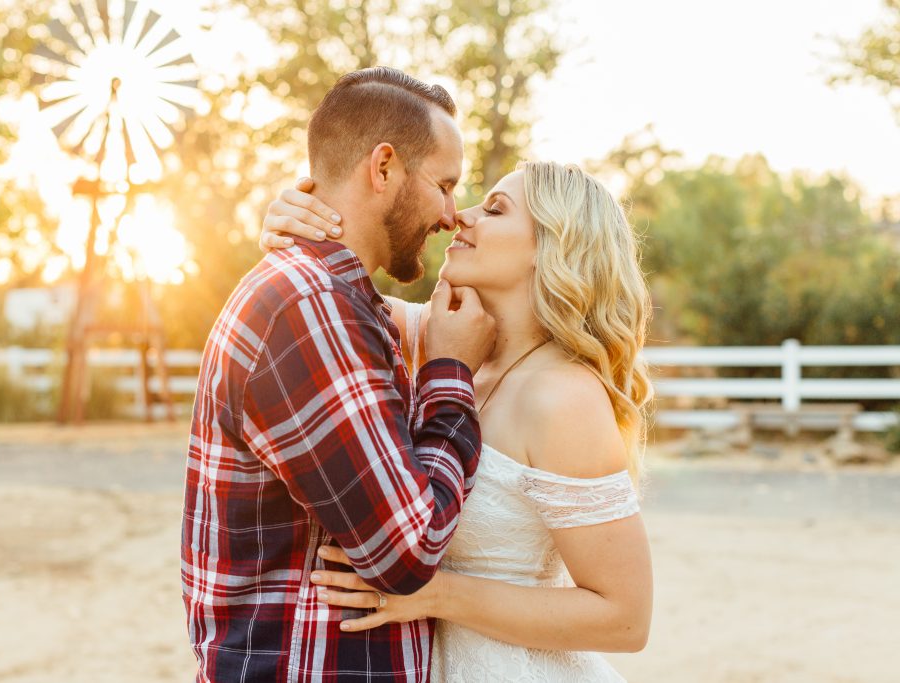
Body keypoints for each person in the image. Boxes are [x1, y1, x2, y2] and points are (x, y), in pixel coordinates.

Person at [260, 161, 654, 681]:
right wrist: (288, 225)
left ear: (551, 246)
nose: (459, 217)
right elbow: (314, 295)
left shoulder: (563, 397)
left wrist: (436, 593)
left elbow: (626, 619)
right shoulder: (435, 336)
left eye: (493, 210)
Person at [181, 67, 496, 683]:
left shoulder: (340, 301)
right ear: (383, 168)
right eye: (445, 185)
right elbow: (407, 550)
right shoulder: (309, 305)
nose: (452, 215)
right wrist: (449, 373)